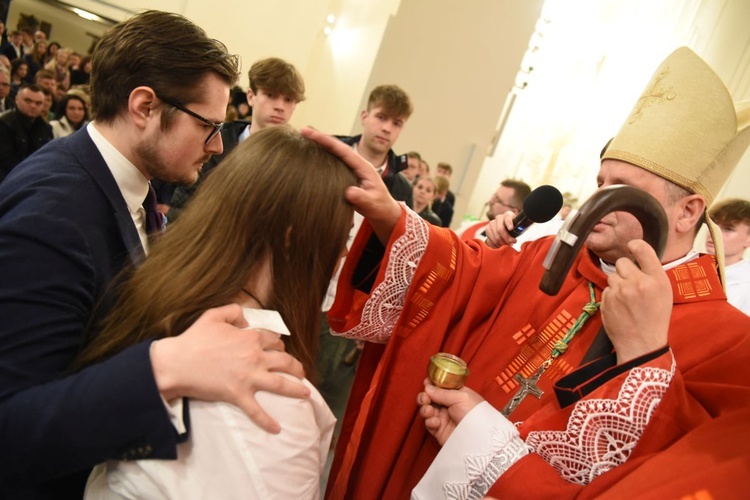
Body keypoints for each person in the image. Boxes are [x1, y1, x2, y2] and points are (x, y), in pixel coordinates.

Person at [306, 46, 750, 499]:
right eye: (600, 182)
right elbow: (464, 274)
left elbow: (691, 469)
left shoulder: (729, 341)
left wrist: (646, 358)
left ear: (687, 211)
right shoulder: (548, 257)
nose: (600, 198)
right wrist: (390, 219)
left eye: (624, 189)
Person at [0, 11, 308, 499]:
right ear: (144, 105)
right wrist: (167, 365)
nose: (216, 147)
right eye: (208, 126)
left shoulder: (129, 182)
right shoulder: (53, 215)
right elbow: (11, 426)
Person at [79, 126, 356, 499]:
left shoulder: (158, 295)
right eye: (340, 241)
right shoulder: (275, 400)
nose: (342, 257)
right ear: (293, 241)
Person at [315, 84, 415, 423]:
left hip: (348, 297)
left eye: (397, 123)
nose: (387, 128)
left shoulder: (401, 188)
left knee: (325, 397)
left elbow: (396, 253)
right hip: (307, 277)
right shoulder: (329, 154)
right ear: (365, 116)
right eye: (382, 117)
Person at [167, 56, 305, 220]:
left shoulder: (300, 160)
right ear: (251, 96)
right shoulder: (213, 142)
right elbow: (181, 209)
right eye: (271, 95)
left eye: (288, 99)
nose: (279, 107)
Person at [706, 198, 750, 315]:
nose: (714, 232)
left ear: (748, 240)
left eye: (728, 229)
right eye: (713, 224)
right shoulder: (689, 264)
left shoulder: (746, 286)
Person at [0, 83, 52, 181]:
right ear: (16, 100)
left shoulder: (46, 128)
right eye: (28, 101)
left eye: (38, 103)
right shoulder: (4, 124)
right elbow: (5, 159)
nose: (33, 106)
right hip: (8, 179)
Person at [455, 178, 530, 241]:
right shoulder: (472, 225)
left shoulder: (517, 244)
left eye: (497, 200)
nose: (490, 201)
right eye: (493, 196)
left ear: (513, 212)